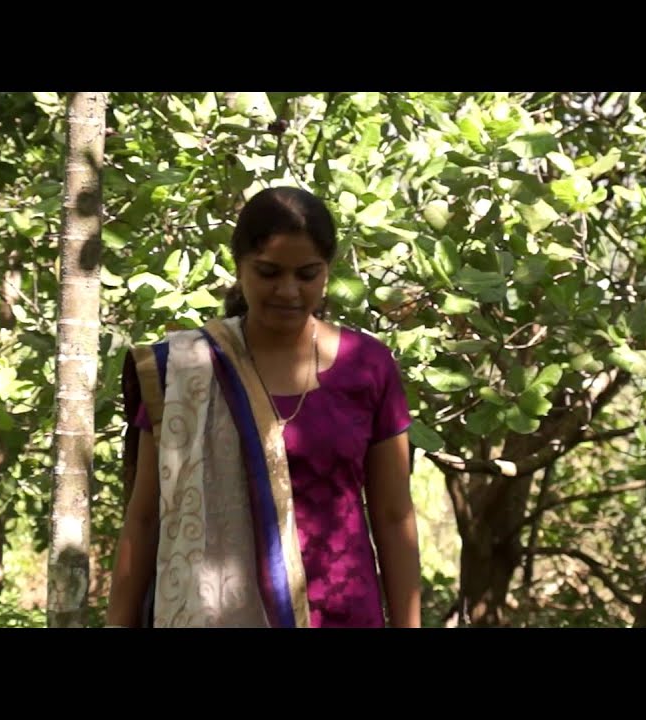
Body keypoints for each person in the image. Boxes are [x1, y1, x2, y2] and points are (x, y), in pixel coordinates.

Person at [106, 185, 421, 628]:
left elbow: (393, 515)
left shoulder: (365, 366)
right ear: (239, 267)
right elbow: (144, 518)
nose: (288, 291)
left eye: (307, 274)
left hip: (344, 612)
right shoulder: (187, 371)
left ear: (327, 272)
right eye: (269, 272)